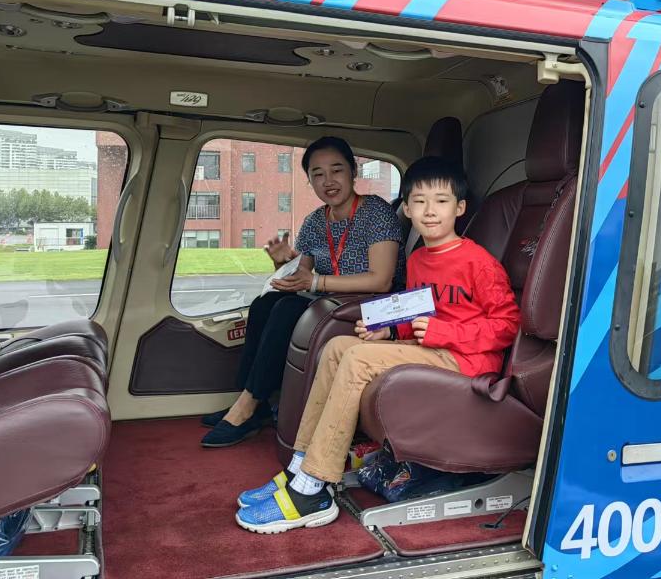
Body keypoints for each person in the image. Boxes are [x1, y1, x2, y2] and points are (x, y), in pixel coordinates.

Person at [232, 156, 520, 534]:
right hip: (433, 351)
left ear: (460, 208)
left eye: (441, 201)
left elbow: (507, 326)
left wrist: (443, 334)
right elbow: (417, 313)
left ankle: (314, 488)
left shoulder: (478, 263)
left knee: (356, 359)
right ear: (407, 209)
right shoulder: (419, 259)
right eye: (419, 202)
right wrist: (389, 332)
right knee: (338, 347)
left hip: (467, 361)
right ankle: (299, 467)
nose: (429, 211)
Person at [200, 136, 404, 448]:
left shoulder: (376, 212)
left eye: (337, 170)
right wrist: (283, 264)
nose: (328, 181)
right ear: (309, 180)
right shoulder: (314, 221)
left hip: (374, 305)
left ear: (353, 171)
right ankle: (250, 399)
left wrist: (315, 283)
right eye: (317, 174)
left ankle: (247, 407)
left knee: (287, 310)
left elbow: (381, 280)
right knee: (266, 304)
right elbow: (301, 277)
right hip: (329, 301)